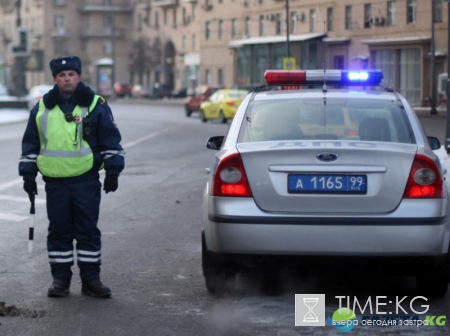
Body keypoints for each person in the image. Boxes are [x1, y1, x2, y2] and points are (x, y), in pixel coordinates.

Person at [19, 55, 125, 298]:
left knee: (87, 229)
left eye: (71, 75)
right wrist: (27, 174)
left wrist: (113, 170)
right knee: (59, 230)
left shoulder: (95, 104)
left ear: (78, 76)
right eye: (61, 76)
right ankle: (61, 279)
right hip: (55, 182)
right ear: (55, 79)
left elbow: (110, 138)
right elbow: (31, 143)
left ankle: (91, 280)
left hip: (85, 179)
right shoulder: (42, 107)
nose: (67, 79)